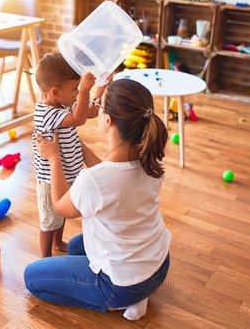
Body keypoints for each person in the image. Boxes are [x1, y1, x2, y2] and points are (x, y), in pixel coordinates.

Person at [25, 78, 171, 321]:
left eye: (100, 106)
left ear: (107, 120)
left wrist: (54, 159)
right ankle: (138, 291)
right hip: (158, 265)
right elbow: (113, 178)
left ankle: (118, 300)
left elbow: (61, 205)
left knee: (33, 278)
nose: (96, 108)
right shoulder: (150, 160)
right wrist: (76, 144)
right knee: (74, 247)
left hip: (122, 284)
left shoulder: (93, 180)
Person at [32, 52, 106, 258]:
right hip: (50, 181)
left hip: (68, 175)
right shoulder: (46, 114)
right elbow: (79, 118)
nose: (76, 93)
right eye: (73, 89)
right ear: (55, 92)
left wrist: (101, 86)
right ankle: (45, 257)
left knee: (62, 212)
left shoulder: (62, 104)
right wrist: (83, 90)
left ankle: (57, 242)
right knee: (49, 221)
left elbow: (89, 111)